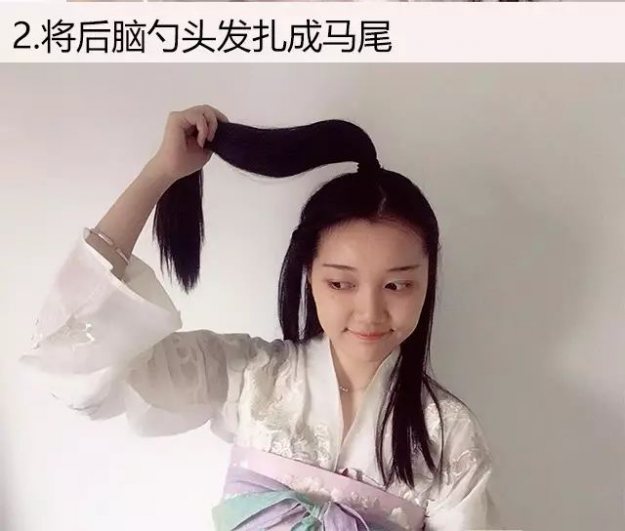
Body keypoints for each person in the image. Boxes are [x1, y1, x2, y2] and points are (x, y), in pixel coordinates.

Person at [21, 105, 497, 530]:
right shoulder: (252, 377)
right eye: (341, 283)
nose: (370, 312)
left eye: (397, 285)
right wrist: (159, 174)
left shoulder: (448, 435)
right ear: (309, 276)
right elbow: (76, 363)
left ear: (428, 279)